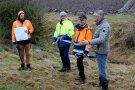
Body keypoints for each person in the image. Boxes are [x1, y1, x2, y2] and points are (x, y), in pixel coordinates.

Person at [81, 10, 111, 90]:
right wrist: (93, 47)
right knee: (100, 68)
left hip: (102, 51)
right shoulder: (100, 24)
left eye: (95, 16)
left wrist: (88, 42)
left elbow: (101, 39)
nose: (93, 17)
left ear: (99, 17)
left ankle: (105, 87)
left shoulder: (105, 26)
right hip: (98, 50)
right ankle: (101, 84)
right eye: (93, 15)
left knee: (102, 69)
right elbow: (97, 38)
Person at [73, 14, 93, 85]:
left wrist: (86, 52)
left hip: (82, 49)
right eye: (80, 19)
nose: (81, 21)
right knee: (78, 63)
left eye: (82, 19)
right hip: (77, 48)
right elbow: (76, 38)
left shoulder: (87, 30)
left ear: (85, 20)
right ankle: (81, 76)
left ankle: (82, 78)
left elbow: (89, 42)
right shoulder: (78, 28)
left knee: (79, 63)